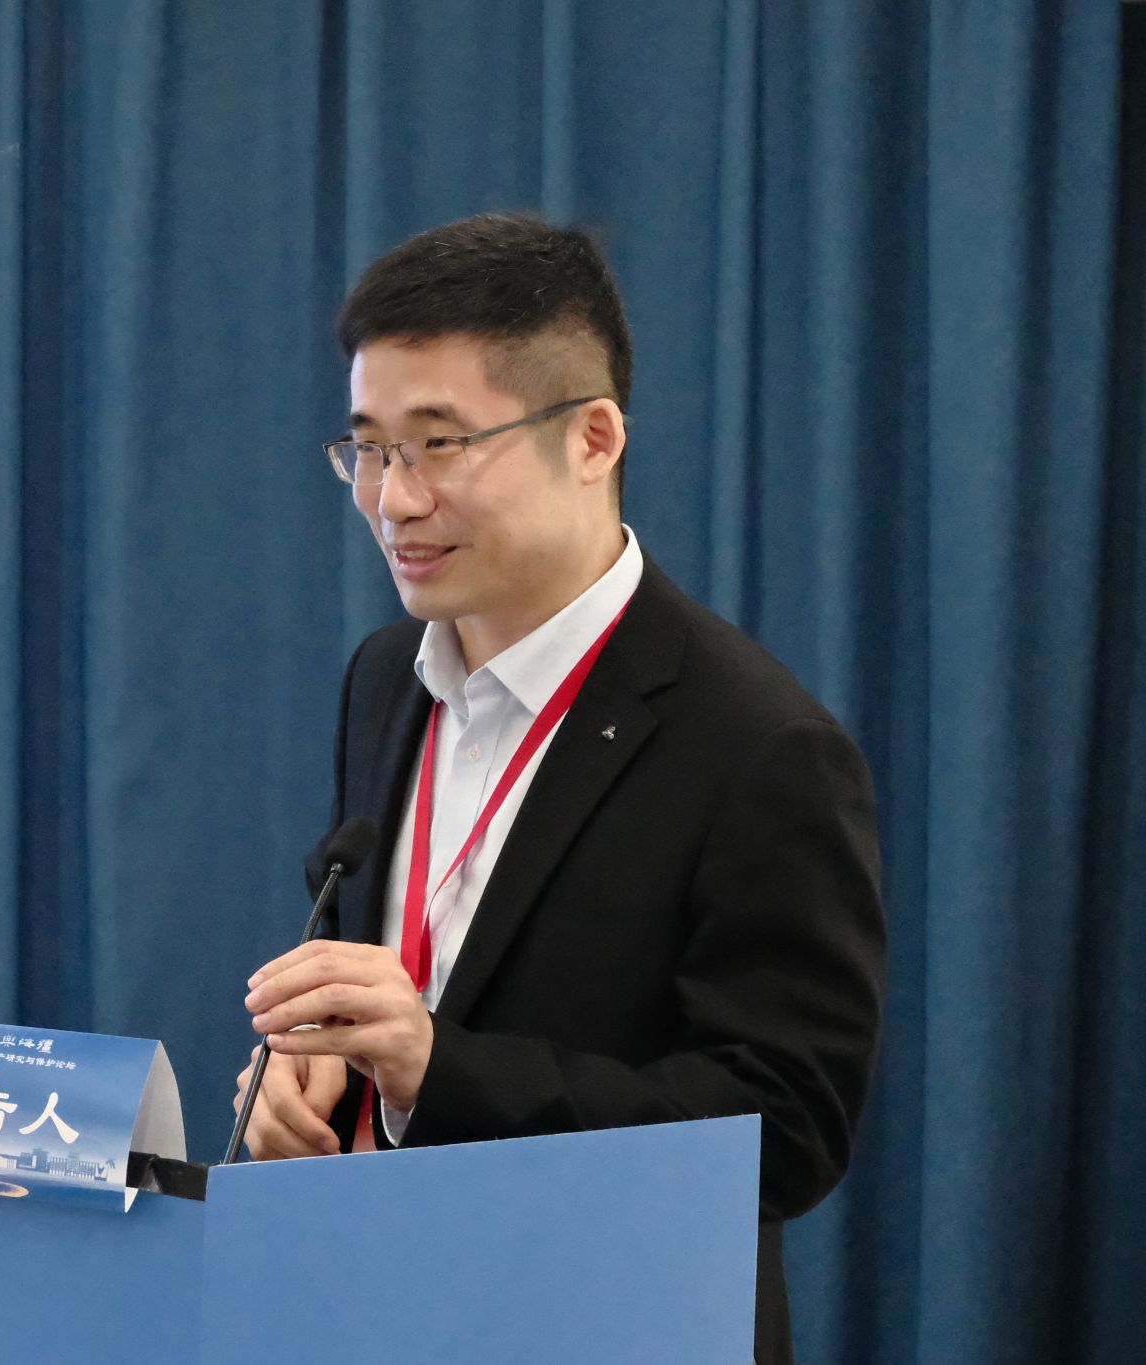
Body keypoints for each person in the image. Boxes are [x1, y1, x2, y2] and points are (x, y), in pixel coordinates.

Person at [232, 213, 885, 1363]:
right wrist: (315, 1073)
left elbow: (784, 1134)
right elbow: (405, 972)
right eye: (367, 449)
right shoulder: (385, 677)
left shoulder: (757, 745)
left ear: (590, 438)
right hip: (379, 1311)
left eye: (439, 445)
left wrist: (437, 1072)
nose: (391, 500)